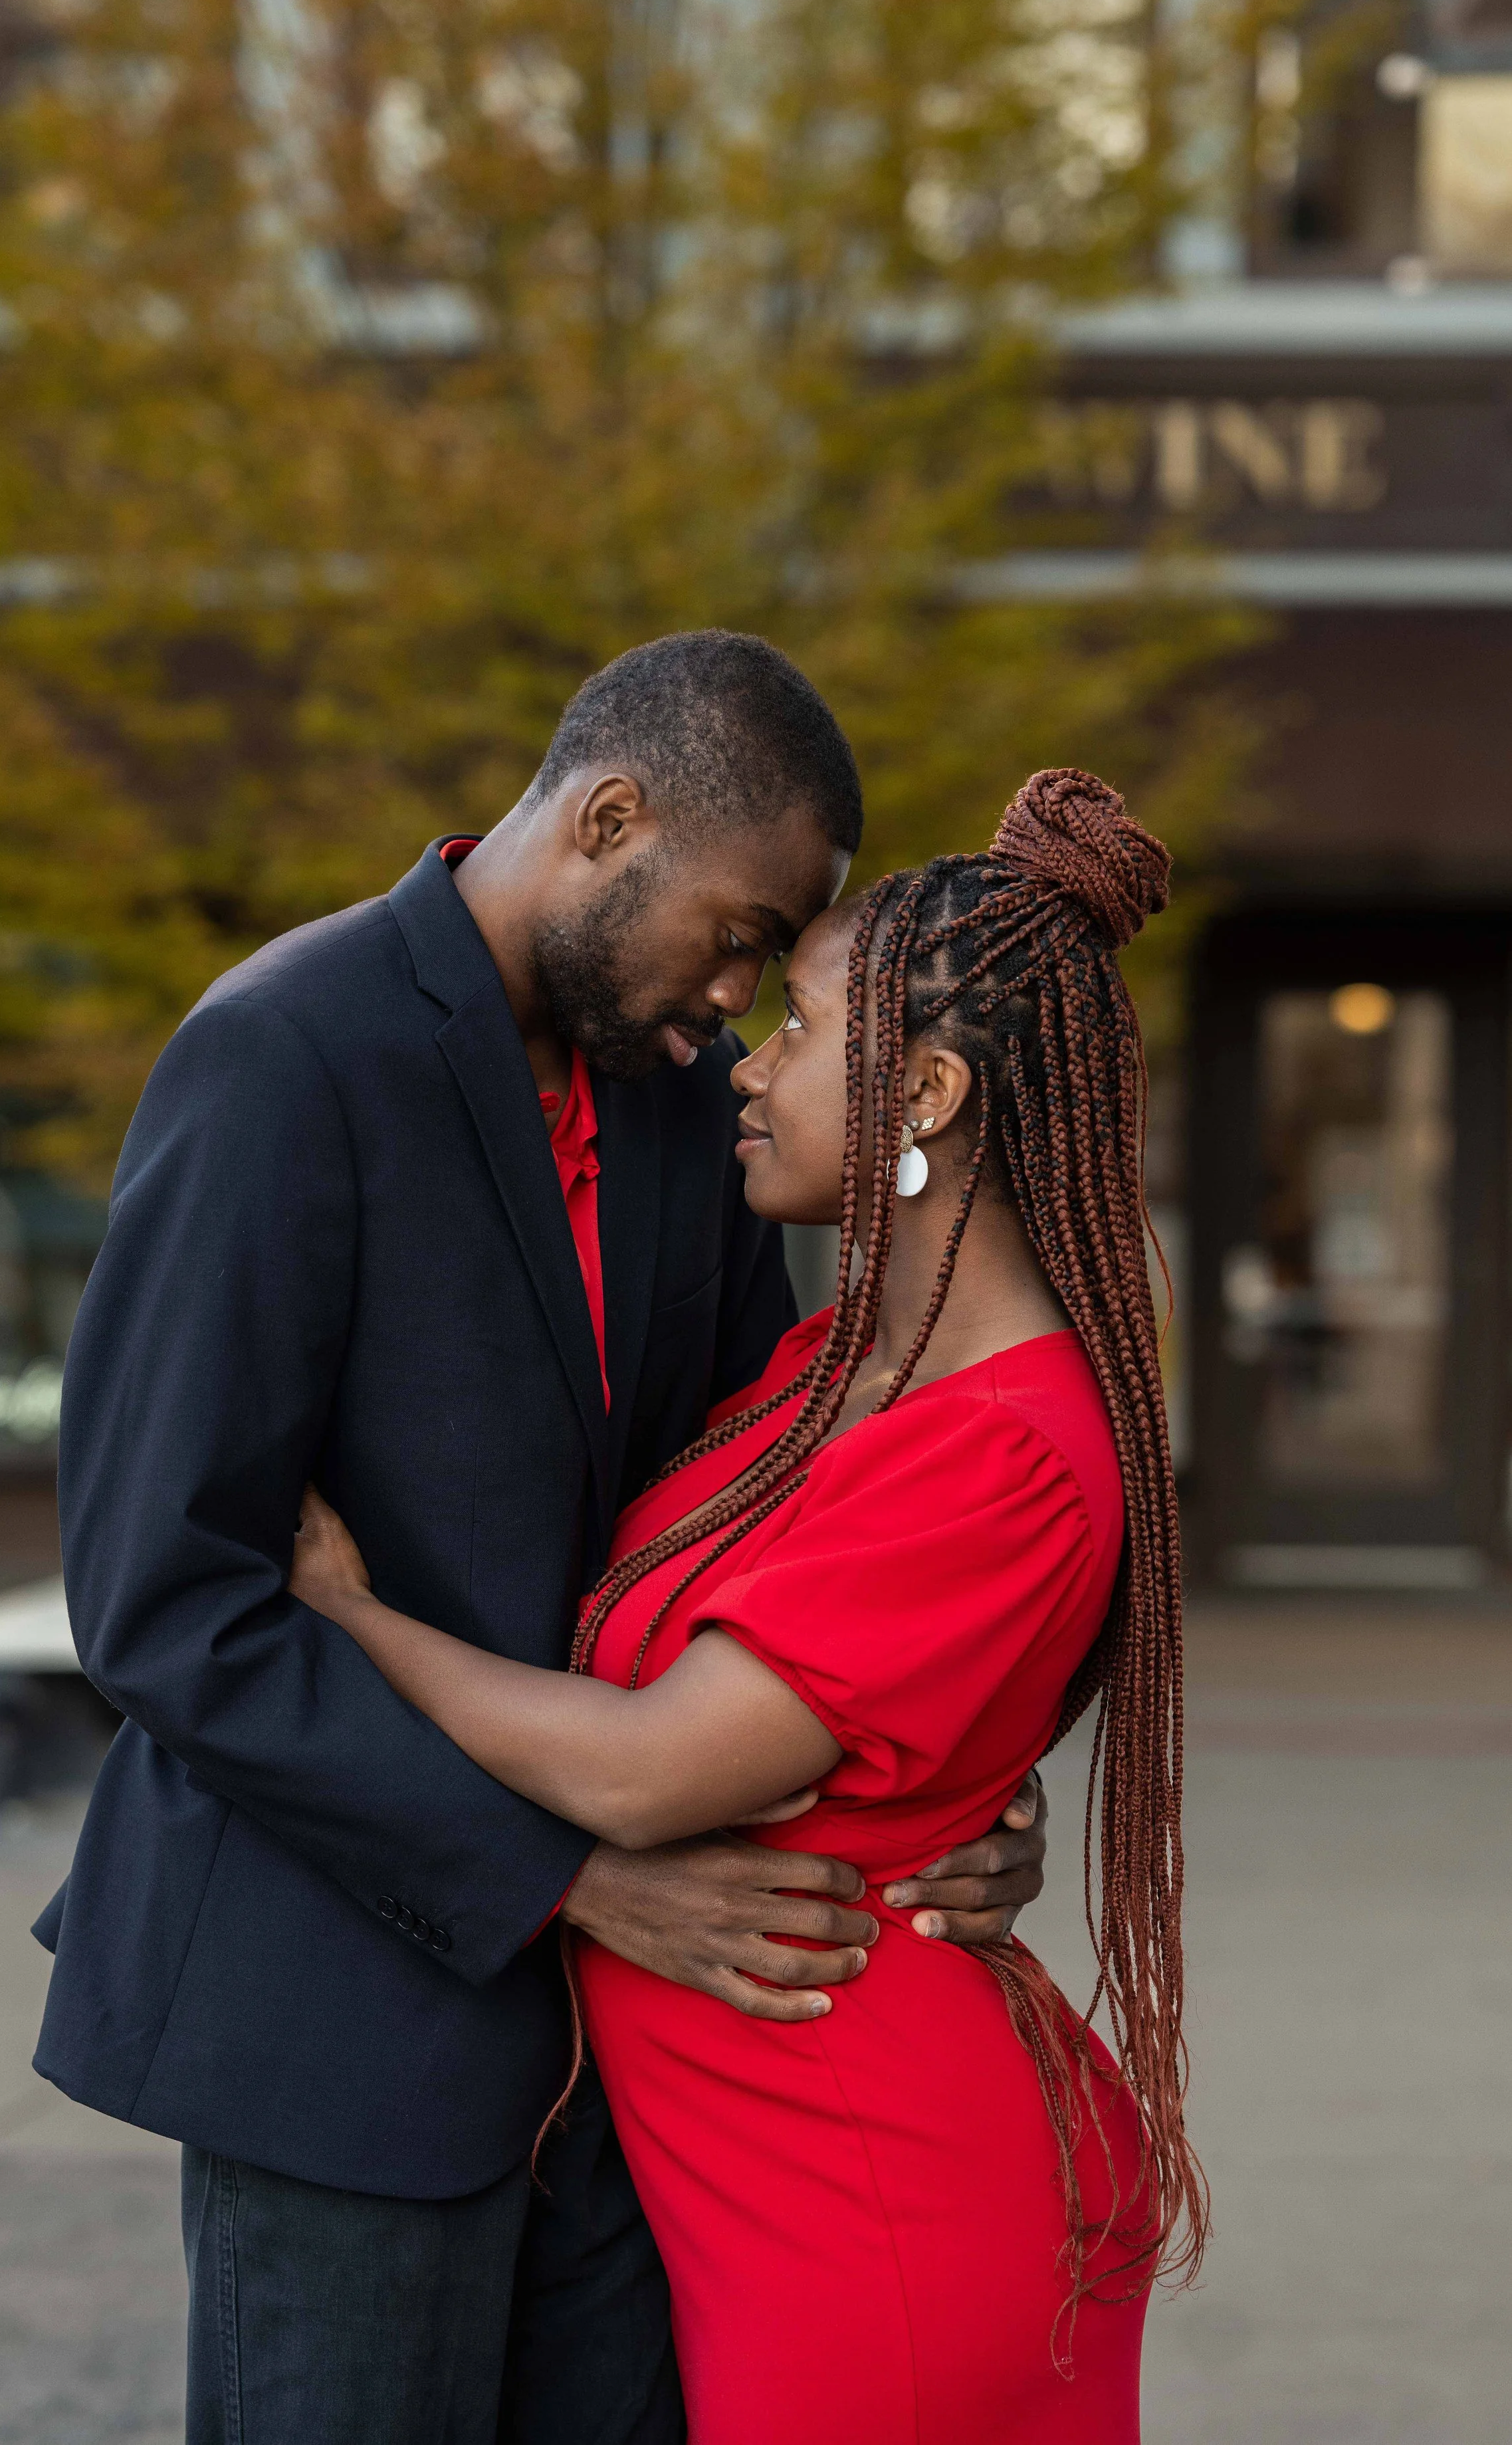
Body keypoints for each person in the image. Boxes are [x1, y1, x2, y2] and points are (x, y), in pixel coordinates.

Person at [30, 631, 1052, 2445]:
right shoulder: (284, 1055)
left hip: (641, 2090)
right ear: (607, 818)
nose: (733, 998)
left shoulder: (673, 1094)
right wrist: (564, 1878)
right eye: (734, 933)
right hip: (342, 2031)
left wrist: (948, 1785)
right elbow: (166, 1604)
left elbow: (770, 1516)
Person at [287, 766, 1205, 2445]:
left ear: (924, 1092)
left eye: (799, 1027)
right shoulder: (822, 1369)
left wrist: (350, 1614)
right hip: (748, 2177)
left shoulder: (1004, 1445)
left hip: (870, 2201)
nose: (749, 1064)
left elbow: (647, 1771)